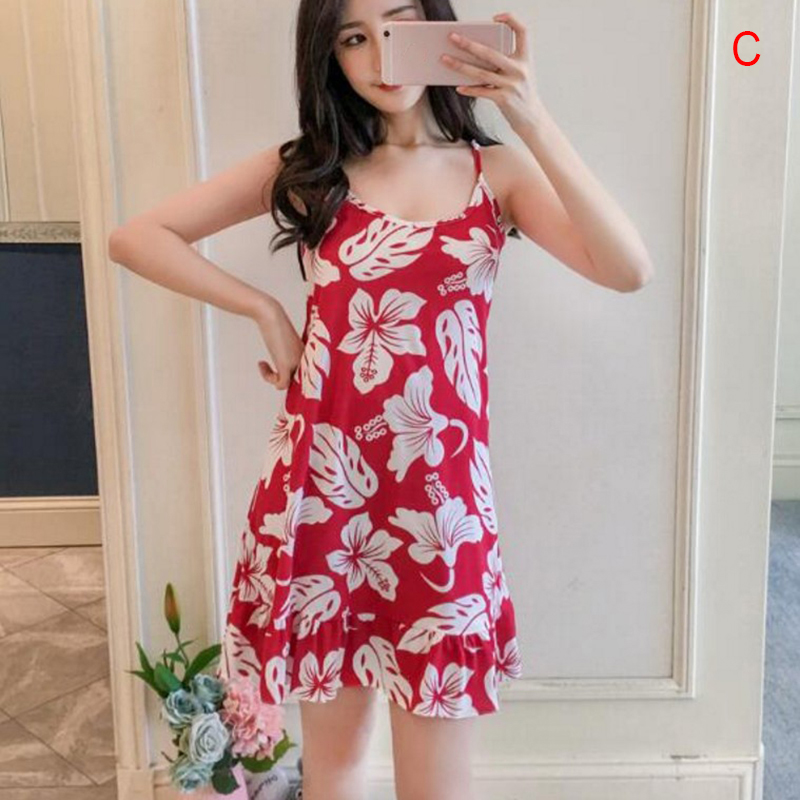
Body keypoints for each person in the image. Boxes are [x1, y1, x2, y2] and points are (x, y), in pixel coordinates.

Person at [108, 2, 654, 799]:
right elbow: (137, 237)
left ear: (440, 28)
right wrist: (265, 311)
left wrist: (530, 115)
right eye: (353, 38)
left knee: (438, 785)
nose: (379, 57)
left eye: (397, 28)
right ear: (329, 57)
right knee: (334, 775)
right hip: (325, 503)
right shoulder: (315, 170)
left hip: (441, 513)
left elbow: (627, 269)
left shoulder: (495, 174)